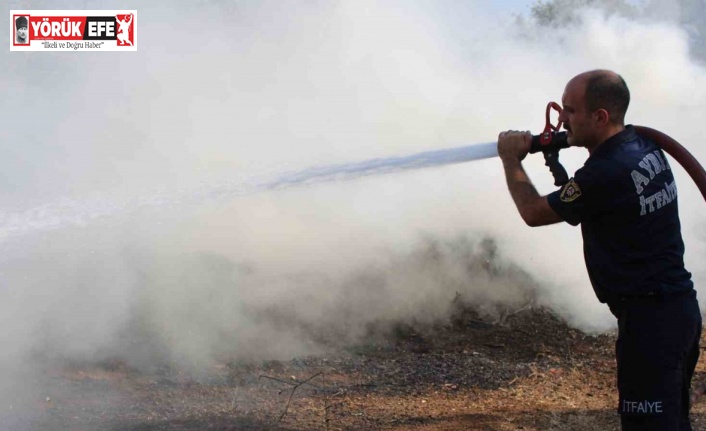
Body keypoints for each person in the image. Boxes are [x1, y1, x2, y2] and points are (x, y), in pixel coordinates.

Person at [497, 69, 702, 430]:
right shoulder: (642, 144)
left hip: (651, 324)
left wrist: (511, 160)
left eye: (570, 111)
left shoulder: (607, 172)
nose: (561, 120)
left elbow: (533, 212)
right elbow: (589, 200)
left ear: (601, 117)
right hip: (676, 311)